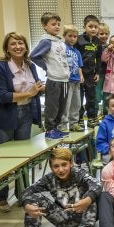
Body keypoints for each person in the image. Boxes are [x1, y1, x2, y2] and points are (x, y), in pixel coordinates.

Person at [8, 148, 100, 227]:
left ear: (71, 163)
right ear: (51, 168)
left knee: (90, 196)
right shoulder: (49, 178)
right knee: (34, 197)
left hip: (84, 219)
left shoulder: (79, 173)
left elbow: (97, 185)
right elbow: (27, 191)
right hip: (63, 219)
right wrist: (27, 205)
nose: (61, 169)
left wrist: (87, 200)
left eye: (64, 165)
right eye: (56, 166)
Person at [0, 32, 44, 212]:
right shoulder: (0, 66)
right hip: (4, 116)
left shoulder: (30, 65)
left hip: (26, 113)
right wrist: (29, 93)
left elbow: (34, 90)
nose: (18, 46)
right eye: (13, 44)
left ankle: (23, 195)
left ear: (26, 46)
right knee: (4, 159)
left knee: (22, 159)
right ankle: (1, 198)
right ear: (7, 47)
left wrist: (40, 90)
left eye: (21, 43)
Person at [30, 12, 70, 140]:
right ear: (44, 26)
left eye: (58, 24)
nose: (57, 27)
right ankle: (50, 130)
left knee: (61, 106)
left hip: (64, 79)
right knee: (52, 106)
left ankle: (56, 128)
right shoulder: (46, 41)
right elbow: (33, 56)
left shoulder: (59, 41)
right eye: (53, 24)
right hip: (54, 80)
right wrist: (47, 67)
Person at [76, 14, 102, 128]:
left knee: (91, 98)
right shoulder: (78, 40)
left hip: (91, 74)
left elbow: (99, 58)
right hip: (79, 74)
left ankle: (92, 118)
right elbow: (74, 57)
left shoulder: (98, 42)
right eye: (90, 26)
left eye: (95, 27)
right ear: (84, 27)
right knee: (79, 98)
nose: (93, 29)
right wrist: (77, 72)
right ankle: (79, 119)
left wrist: (98, 73)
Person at [60, 25, 84, 132]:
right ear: (64, 36)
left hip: (76, 81)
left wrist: (81, 75)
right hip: (66, 81)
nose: (72, 38)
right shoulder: (62, 48)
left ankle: (74, 123)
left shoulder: (77, 52)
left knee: (77, 103)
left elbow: (79, 66)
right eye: (70, 36)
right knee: (66, 103)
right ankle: (63, 124)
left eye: (75, 36)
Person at [95, 22, 111, 115]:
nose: (104, 36)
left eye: (106, 34)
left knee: (106, 96)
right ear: (97, 34)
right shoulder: (95, 46)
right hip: (98, 74)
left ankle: (105, 113)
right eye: (101, 34)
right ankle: (95, 113)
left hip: (108, 75)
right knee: (97, 95)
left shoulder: (110, 46)